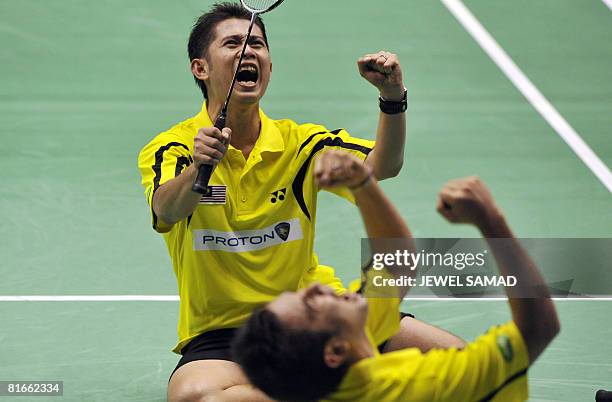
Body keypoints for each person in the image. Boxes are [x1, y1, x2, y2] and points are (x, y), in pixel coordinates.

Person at [137, 3, 463, 401]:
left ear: (269, 68)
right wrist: (199, 169)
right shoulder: (173, 148)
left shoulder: (300, 145)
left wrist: (392, 97)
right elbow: (166, 209)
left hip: (313, 317)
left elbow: (384, 165)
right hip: (225, 332)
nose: (248, 52)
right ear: (199, 68)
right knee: (192, 397)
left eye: (256, 44)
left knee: (455, 361)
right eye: (233, 43)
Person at [233, 150, 561, 402]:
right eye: (312, 305)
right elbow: (538, 330)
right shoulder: (424, 386)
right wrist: (492, 221)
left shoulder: (329, 370)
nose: (317, 287)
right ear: (334, 351)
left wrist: (363, 185)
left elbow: (395, 263)